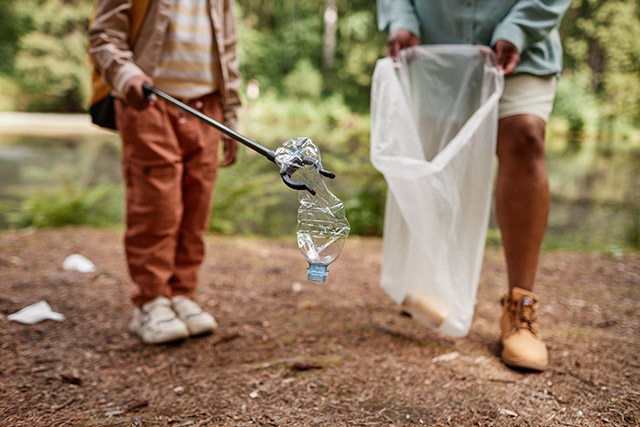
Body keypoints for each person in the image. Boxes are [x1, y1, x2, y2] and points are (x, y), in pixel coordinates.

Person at [379, 0, 571, 371]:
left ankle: (520, 306)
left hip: (522, 46)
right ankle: (430, 281)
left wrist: (517, 30)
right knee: (438, 157)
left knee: (525, 135)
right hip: (437, 48)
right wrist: (402, 20)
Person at [88, 0, 241, 344]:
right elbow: (103, 34)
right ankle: (151, 301)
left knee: (196, 205)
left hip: (208, 106)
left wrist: (230, 115)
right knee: (156, 205)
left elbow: (228, 47)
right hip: (148, 101)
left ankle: (181, 295)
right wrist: (126, 75)